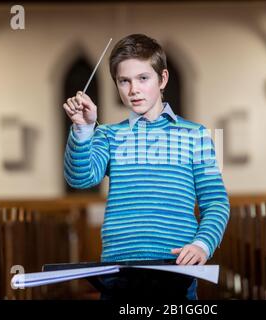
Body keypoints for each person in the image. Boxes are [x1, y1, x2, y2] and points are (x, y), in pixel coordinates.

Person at [62, 34, 230, 300]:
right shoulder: (108, 135)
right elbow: (80, 179)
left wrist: (202, 245)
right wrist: (83, 129)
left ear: (162, 79)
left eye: (143, 78)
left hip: (176, 268)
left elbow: (217, 202)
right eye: (124, 81)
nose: (133, 90)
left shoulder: (196, 135)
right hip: (118, 271)